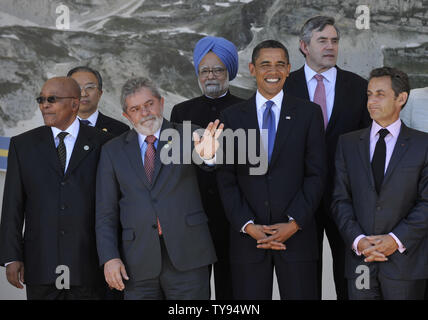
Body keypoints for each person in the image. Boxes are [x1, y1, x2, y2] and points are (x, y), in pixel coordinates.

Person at [216, 40, 327, 300]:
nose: (273, 71)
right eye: (265, 64)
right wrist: (248, 225)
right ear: (253, 69)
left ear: (289, 69)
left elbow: (317, 174)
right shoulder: (231, 117)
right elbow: (226, 178)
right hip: (249, 240)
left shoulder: (309, 114)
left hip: (297, 238)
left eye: (280, 65)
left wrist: (294, 222)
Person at [95, 77, 222, 300]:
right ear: (126, 115)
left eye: (149, 104)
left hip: (188, 256)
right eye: (135, 109)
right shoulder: (112, 151)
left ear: (161, 103)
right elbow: (105, 212)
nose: (145, 112)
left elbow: (208, 161)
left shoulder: (190, 134)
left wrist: (208, 155)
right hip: (137, 262)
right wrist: (109, 258)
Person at [0, 77, 112, 299]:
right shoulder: (22, 145)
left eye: (52, 99)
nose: (44, 105)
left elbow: (111, 205)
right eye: (41, 100)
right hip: (41, 264)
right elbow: (13, 205)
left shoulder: (105, 143)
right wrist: (11, 256)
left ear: (74, 103)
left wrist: (112, 257)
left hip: (89, 266)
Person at [283, 16, 371, 299]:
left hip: (345, 196)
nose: (330, 46)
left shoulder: (359, 87)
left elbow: (367, 144)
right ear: (304, 46)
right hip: (298, 197)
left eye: (334, 40)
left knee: (349, 273)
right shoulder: (285, 87)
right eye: (322, 40)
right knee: (304, 278)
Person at [331, 67, 428, 300]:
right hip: (361, 261)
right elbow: (340, 200)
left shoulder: (423, 145)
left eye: (380, 94)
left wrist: (394, 240)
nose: (371, 101)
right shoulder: (348, 144)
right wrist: (359, 241)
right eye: (369, 94)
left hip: (405, 264)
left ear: (401, 98)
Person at [170, 36, 244, 299]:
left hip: (235, 217)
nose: (211, 75)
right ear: (198, 74)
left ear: (229, 72)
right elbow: (175, 164)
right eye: (205, 70)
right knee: (193, 292)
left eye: (218, 69)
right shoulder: (181, 111)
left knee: (232, 290)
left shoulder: (245, 109)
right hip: (195, 217)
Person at [67, 66, 130, 136]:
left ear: (100, 93)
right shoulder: (56, 127)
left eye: (90, 87)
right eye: (77, 87)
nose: (83, 94)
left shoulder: (120, 130)